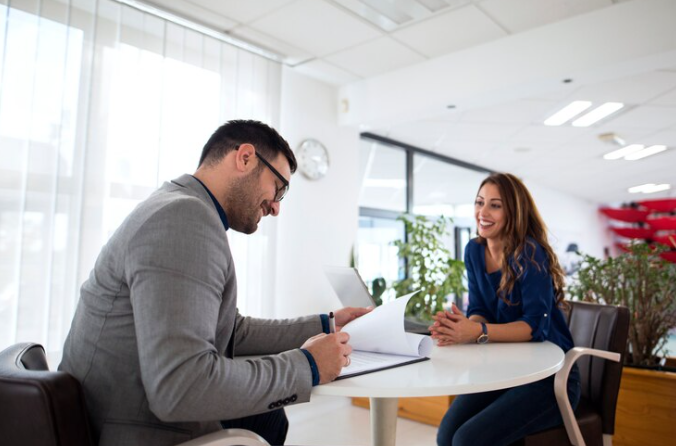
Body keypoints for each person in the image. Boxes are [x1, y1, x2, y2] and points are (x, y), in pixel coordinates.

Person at [59, 120, 369, 446]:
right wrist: (307, 365)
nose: (276, 207)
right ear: (245, 158)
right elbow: (180, 386)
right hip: (130, 427)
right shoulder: (183, 219)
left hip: (116, 409)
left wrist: (328, 324)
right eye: (279, 188)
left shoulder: (179, 206)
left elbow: (232, 330)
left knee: (268, 417)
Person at [429, 172, 581, 446]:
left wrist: (475, 331)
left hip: (550, 377)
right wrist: (461, 328)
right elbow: (479, 308)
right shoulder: (473, 250)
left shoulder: (530, 253)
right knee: (446, 434)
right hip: (505, 369)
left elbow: (535, 327)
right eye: (479, 202)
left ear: (513, 212)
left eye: (495, 205)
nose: (482, 212)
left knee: (467, 440)